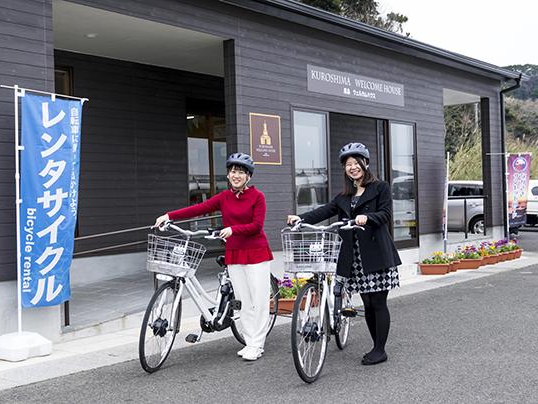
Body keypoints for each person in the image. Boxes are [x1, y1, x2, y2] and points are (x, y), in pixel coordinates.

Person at [287, 142, 401, 365]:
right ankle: (375, 345)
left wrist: (368, 218)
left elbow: (385, 213)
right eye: (348, 164)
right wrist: (301, 218)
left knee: (378, 302)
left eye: (356, 163)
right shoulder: (343, 196)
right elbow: (324, 211)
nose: (352, 167)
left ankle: (380, 349)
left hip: (377, 253)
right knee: (367, 303)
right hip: (355, 257)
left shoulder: (380, 187)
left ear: (365, 164)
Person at [154, 152, 273, 361]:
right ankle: (249, 340)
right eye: (233, 172)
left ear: (248, 177)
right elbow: (199, 208)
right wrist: (169, 216)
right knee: (243, 301)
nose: (236, 175)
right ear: (228, 175)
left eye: (241, 172)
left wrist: (234, 229)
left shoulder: (258, 197)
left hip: (256, 253)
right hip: (234, 254)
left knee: (259, 301)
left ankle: (257, 344)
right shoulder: (224, 197)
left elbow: (257, 226)